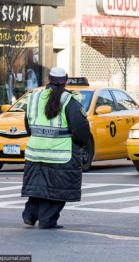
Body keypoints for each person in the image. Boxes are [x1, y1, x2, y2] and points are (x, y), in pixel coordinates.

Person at [21, 67, 90, 229]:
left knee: (39, 186)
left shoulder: (33, 97)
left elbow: (28, 124)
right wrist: (81, 144)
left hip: (35, 151)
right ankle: (47, 221)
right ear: (65, 80)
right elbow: (80, 129)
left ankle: (30, 215)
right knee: (57, 190)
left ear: (48, 79)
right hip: (61, 154)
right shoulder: (69, 101)